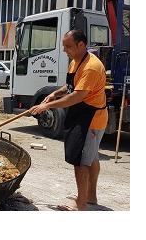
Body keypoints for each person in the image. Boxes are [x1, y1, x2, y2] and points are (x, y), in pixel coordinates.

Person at [29, 29, 108, 211]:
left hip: (91, 120)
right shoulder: (76, 61)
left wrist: (47, 106)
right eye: (64, 46)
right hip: (83, 116)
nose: (65, 50)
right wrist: (55, 93)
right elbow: (71, 86)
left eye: (68, 46)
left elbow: (76, 96)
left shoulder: (91, 67)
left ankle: (81, 204)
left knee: (80, 161)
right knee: (91, 158)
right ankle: (90, 196)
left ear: (82, 45)